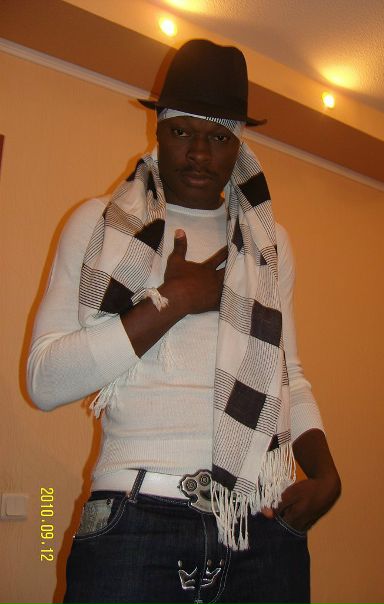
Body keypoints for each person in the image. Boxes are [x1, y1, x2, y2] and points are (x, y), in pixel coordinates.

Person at [27, 39, 341, 604]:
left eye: (219, 137)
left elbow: (287, 374)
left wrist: (325, 474)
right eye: (181, 131)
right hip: (134, 518)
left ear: (239, 144)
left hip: (257, 524)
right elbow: (45, 380)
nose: (199, 153)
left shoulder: (267, 243)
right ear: (158, 130)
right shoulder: (97, 224)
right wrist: (171, 302)